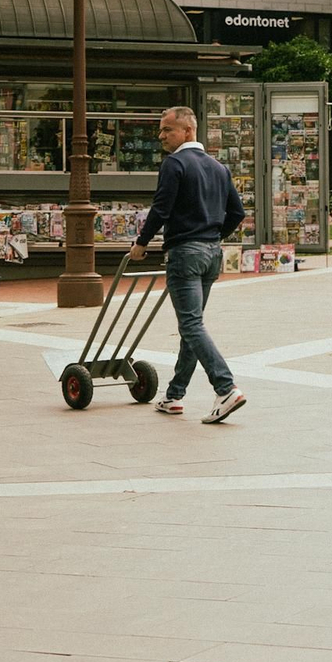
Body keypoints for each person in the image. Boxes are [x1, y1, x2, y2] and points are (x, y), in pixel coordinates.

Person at [127, 106, 247, 424]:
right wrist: (212, 236)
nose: (161, 135)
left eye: (168, 130)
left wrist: (141, 243)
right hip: (211, 254)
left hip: (185, 254)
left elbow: (161, 209)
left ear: (188, 132)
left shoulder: (175, 163)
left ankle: (226, 388)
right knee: (192, 326)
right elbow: (237, 213)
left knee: (191, 325)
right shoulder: (218, 168)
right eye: (161, 130)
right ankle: (175, 395)